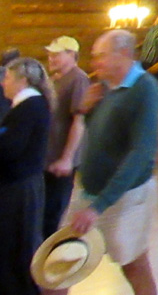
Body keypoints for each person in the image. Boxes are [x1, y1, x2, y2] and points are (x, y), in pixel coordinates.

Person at [71, 29, 158, 295]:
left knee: (134, 265)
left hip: (126, 196)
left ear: (123, 53)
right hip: (92, 193)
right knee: (62, 260)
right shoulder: (105, 87)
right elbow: (102, 136)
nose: (94, 63)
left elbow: (141, 152)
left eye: (100, 56)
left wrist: (99, 206)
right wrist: (86, 110)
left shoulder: (144, 87)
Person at [0, 57, 53, 295]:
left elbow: (9, 148)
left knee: (16, 249)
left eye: (8, 78)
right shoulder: (27, 106)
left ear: (22, 80)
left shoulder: (29, 107)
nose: (3, 83)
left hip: (19, 190)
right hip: (19, 186)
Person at [44, 36, 89, 240]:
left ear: (71, 55)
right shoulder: (54, 79)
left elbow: (79, 121)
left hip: (61, 159)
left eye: (56, 54)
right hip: (47, 157)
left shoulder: (78, 79)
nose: (51, 58)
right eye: (50, 54)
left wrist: (67, 158)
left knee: (51, 214)